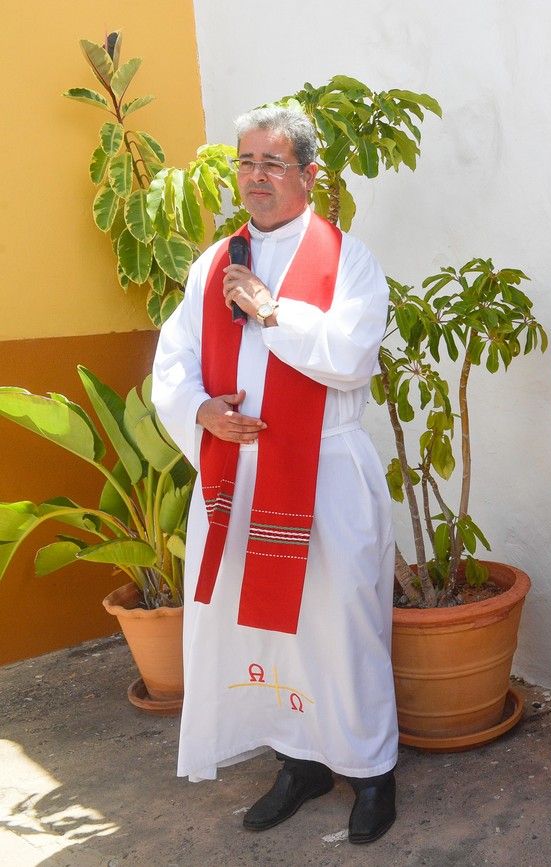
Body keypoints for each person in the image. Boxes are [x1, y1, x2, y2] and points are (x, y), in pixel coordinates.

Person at [153, 106, 398, 844]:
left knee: (341, 624)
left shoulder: (347, 258)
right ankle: (300, 760)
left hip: (324, 470)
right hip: (243, 471)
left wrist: (270, 311)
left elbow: (353, 353)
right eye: (245, 162)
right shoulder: (213, 264)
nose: (255, 178)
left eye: (273, 164)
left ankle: (371, 767)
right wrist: (201, 412)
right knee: (272, 633)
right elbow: (174, 361)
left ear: (308, 175)